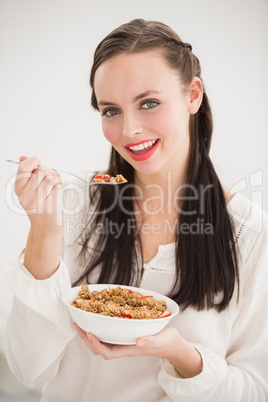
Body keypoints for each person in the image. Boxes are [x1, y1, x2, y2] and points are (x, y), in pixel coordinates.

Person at [5, 18, 268, 402]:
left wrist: (179, 353)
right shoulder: (74, 210)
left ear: (193, 95)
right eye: (111, 110)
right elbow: (28, 371)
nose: (129, 131)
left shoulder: (250, 235)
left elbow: (255, 389)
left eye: (149, 103)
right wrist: (43, 233)